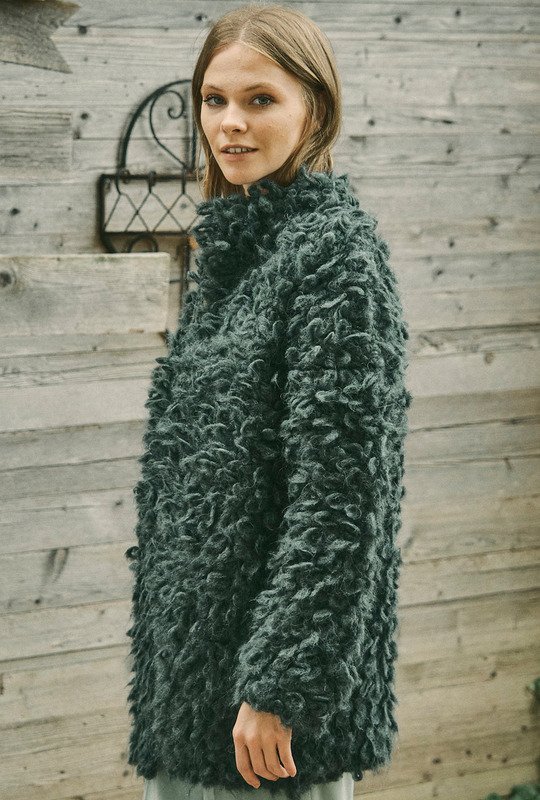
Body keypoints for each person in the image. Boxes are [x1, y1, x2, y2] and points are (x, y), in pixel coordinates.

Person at [125, 4, 412, 800]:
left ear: (313, 110)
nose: (230, 123)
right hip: (194, 686)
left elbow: (343, 497)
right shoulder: (235, 253)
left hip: (268, 716)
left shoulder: (337, 259)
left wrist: (280, 682)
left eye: (260, 100)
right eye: (214, 99)